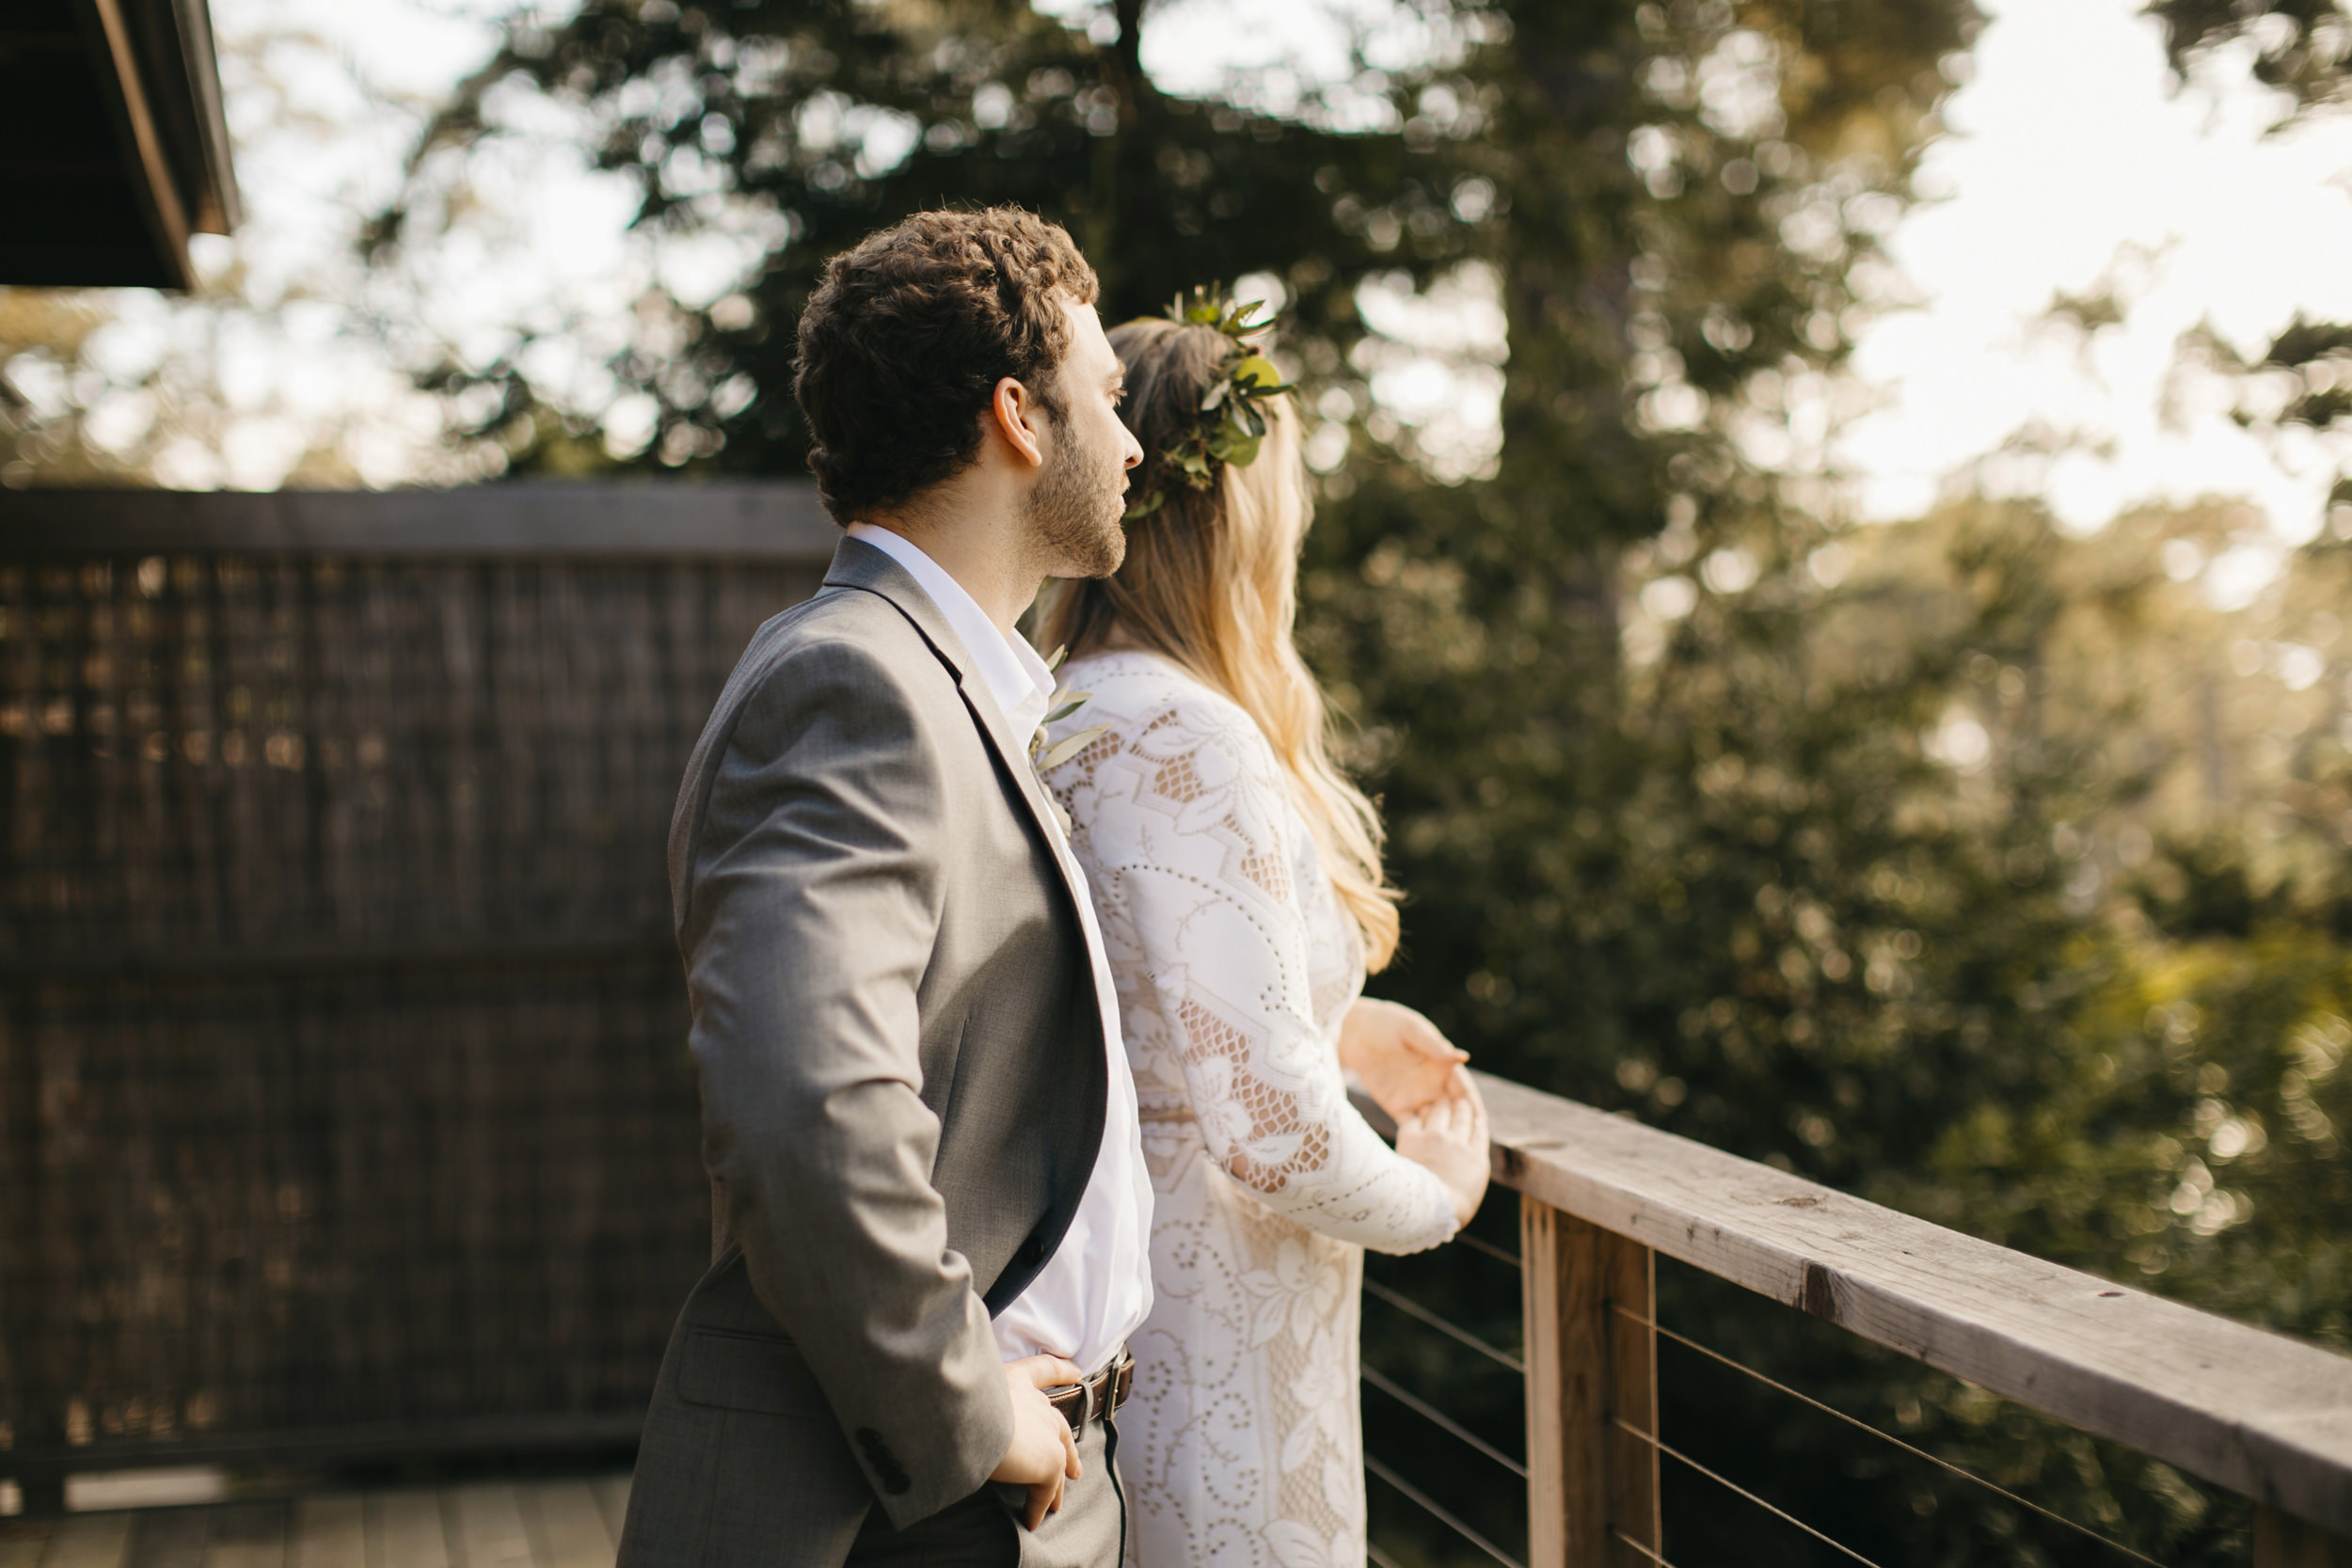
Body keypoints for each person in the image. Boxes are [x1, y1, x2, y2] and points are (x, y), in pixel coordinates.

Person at [617, 207, 1153, 1568]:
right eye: (1107, 396)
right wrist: (978, 1417)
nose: (1134, 440)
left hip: (1010, 1490)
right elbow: (809, 1107)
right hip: (896, 1506)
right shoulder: (851, 682)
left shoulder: (946, 683)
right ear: (1020, 418)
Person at [1035, 294, 1492, 1565]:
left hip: (1128, 1317)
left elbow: (1147, 1007)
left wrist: (1335, 1025)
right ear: (1238, 514)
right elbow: (1271, 1140)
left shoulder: (1067, 709)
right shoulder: (1181, 733)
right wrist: (1436, 1193)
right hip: (1211, 1343)